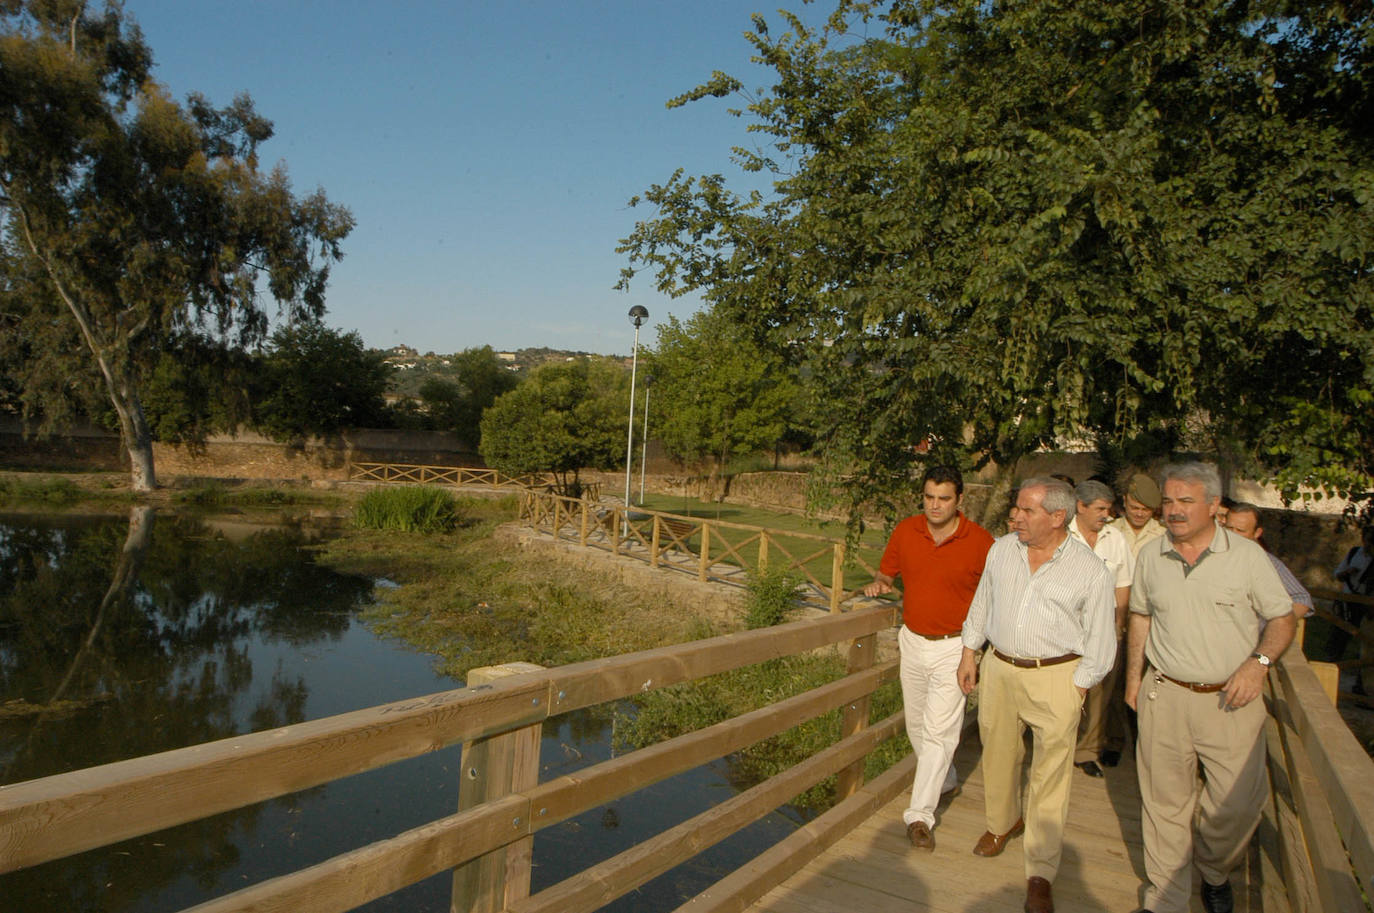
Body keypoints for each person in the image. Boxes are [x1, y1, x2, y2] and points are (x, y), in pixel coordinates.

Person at [1125, 463, 1294, 913]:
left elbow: (1282, 618)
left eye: (1186, 502)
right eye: (1169, 501)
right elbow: (1140, 615)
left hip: (1231, 701)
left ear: (1215, 505)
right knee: (1163, 806)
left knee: (1237, 807)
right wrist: (1133, 679)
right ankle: (1165, 898)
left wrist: (1258, 664)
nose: (1174, 511)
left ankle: (1215, 871)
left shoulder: (1246, 556)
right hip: (1165, 694)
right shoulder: (1151, 555)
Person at [957, 477, 1116, 913]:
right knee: (999, 753)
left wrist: (1077, 687)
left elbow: (1103, 642)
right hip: (1000, 668)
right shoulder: (1002, 549)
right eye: (1017, 508)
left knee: (1051, 774)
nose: (1016, 516)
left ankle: (1041, 870)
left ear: (1057, 517)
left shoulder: (1090, 571)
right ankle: (1002, 823)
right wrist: (970, 651)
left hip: (1057, 676)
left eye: (1027, 510)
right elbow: (982, 602)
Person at [864, 465, 995, 852]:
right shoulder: (907, 531)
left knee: (940, 732)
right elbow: (887, 574)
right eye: (929, 497)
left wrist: (974, 651)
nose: (935, 505)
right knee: (918, 726)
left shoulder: (981, 542)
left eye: (944, 498)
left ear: (959, 501)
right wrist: (880, 583)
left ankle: (920, 816)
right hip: (912, 641)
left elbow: (992, 598)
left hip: (956, 647)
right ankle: (947, 777)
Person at [1068, 480, 1134, 777]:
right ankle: (1062, 745)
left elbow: (1123, 584)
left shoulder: (1115, 538)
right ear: (1080, 506)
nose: (1106, 515)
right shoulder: (1062, 535)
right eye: (1100, 509)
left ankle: (1086, 750)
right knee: (1067, 691)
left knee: (1100, 693)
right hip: (1067, 628)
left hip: (1104, 627)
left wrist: (1119, 624)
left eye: (1108, 509)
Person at [1223, 503, 1312, 618]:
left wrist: (1277, 628)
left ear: (1257, 533)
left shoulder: (1267, 562)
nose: (1232, 534)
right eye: (1229, 528)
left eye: (1240, 530)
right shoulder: (1207, 555)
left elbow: (1301, 600)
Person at [1112, 473, 1166, 558]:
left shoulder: (1163, 534)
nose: (1139, 514)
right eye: (1134, 508)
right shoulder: (1110, 531)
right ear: (1124, 501)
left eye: (1145, 510)